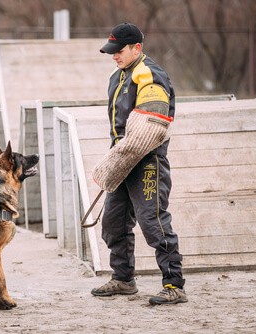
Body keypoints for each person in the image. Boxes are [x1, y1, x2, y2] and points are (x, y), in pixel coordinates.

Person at [91, 22, 187, 305]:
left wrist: (117, 161)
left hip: (147, 161)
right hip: (122, 160)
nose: (114, 56)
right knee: (112, 224)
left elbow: (151, 127)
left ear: (137, 48)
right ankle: (123, 279)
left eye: (119, 51)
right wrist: (116, 161)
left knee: (153, 221)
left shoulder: (150, 75)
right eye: (111, 51)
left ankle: (173, 285)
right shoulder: (117, 75)